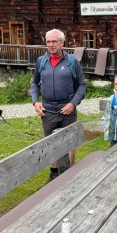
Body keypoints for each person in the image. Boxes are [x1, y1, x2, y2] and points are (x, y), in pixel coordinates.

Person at [31, 28, 86, 183]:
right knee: (50, 143)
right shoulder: (41, 62)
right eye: (48, 42)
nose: (51, 45)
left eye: (54, 41)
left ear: (62, 43)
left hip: (67, 109)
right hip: (47, 110)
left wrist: (73, 103)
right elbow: (34, 82)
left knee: (69, 142)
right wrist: (35, 102)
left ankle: (70, 175)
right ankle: (54, 175)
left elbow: (82, 85)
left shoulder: (72, 62)